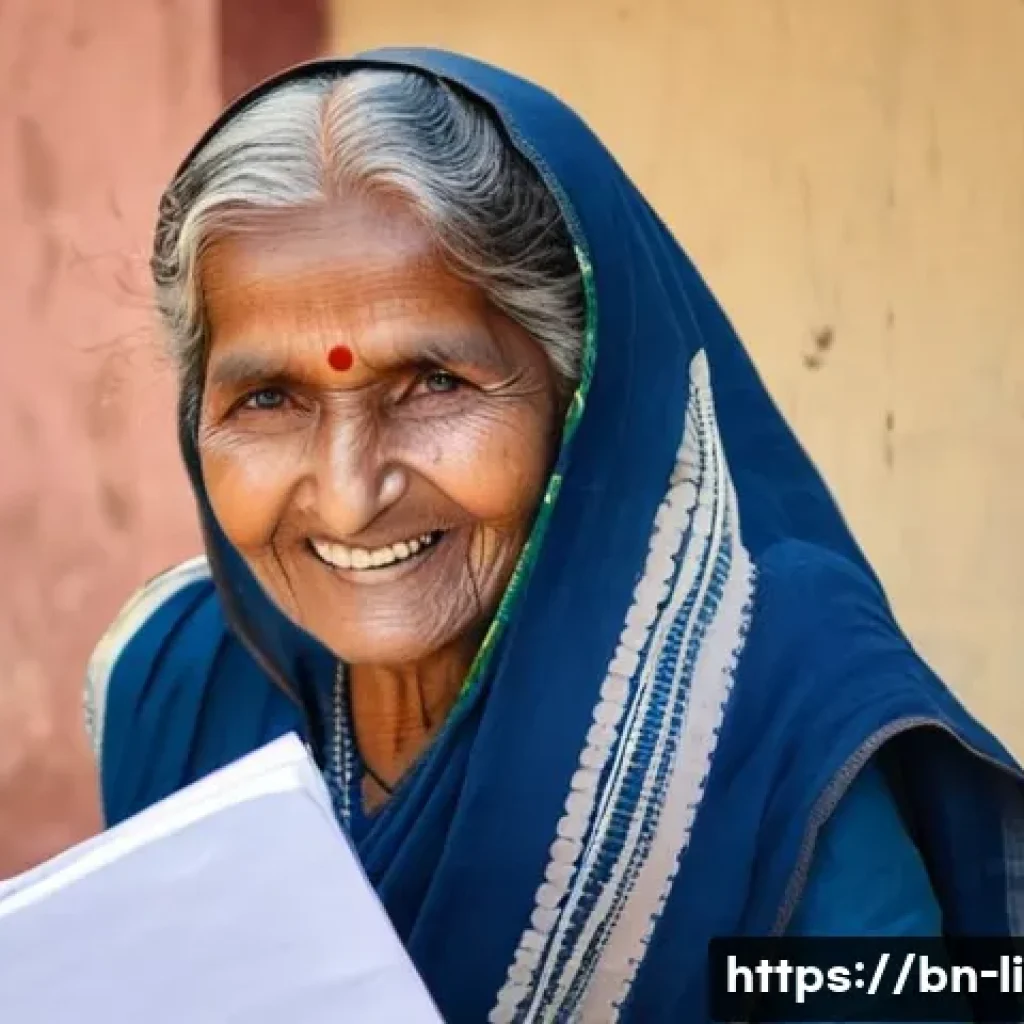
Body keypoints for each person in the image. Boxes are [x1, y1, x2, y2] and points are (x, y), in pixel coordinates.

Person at [82, 50, 1022, 1022]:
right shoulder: (178, 683)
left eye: (436, 383)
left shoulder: (772, 712)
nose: (352, 495)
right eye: (269, 397)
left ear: (580, 398)